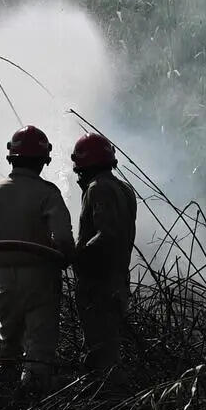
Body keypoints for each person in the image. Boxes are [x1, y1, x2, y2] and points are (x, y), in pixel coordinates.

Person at [0, 125, 75, 396]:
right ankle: (33, 393)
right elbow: (64, 239)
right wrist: (66, 258)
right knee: (39, 339)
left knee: (7, 334)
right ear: (44, 160)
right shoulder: (48, 193)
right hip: (40, 275)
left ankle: (0, 386)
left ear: (11, 157)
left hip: (5, 276)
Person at [70, 132, 136, 378]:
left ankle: (105, 401)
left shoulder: (98, 189)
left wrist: (78, 256)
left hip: (99, 284)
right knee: (110, 345)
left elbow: (106, 234)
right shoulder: (124, 189)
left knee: (100, 352)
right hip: (118, 279)